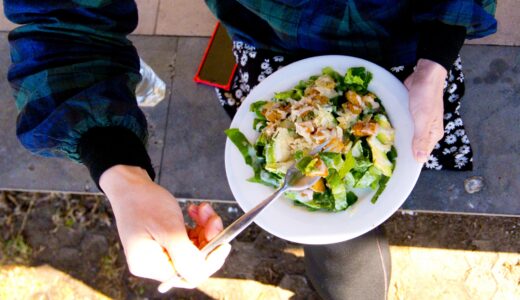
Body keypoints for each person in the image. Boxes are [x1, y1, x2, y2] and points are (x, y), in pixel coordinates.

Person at [4, 0, 496, 299]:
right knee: (337, 240)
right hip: (267, 50)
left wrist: (435, 62)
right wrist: (119, 171)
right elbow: (62, 19)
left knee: (392, 184)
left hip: (417, 49)